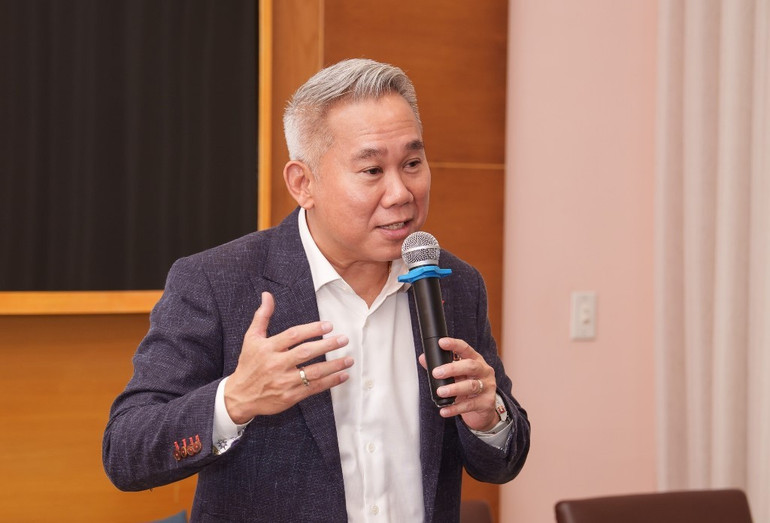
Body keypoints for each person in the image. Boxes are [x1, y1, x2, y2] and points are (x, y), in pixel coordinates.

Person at [103, 58, 530, 522]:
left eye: (412, 164)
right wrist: (235, 400)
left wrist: (489, 418)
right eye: (372, 170)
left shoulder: (455, 283)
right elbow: (126, 452)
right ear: (303, 183)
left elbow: (502, 462)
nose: (401, 193)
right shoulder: (217, 282)